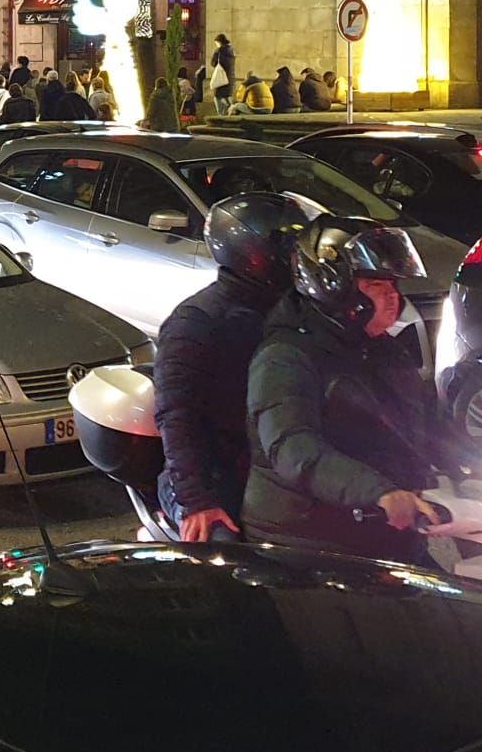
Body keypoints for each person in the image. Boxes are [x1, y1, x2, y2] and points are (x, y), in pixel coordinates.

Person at [242, 215, 442, 564]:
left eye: (393, 287)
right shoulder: (283, 358)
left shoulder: (380, 347)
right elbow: (294, 449)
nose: (393, 298)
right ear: (333, 287)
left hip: (379, 526)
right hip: (306, 538)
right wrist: (379, 492)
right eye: (376, 287)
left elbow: (423, 418)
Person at [155, 194, 313, 542]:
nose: (296, 256)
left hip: (275, 467)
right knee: (232, 562)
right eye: (288, 246)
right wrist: (196, 499)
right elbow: (176, 415)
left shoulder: (298, 310)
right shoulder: (197, 322)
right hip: (214, 476)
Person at [210, 34, 236, 115]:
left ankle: (221, 116)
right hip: (230, 79)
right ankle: (230, 112)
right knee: (227, 97)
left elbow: (213, 63)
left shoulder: (219, 51)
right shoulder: (231, 51)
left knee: (218, 98)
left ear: (219, 42)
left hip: (221, 79)